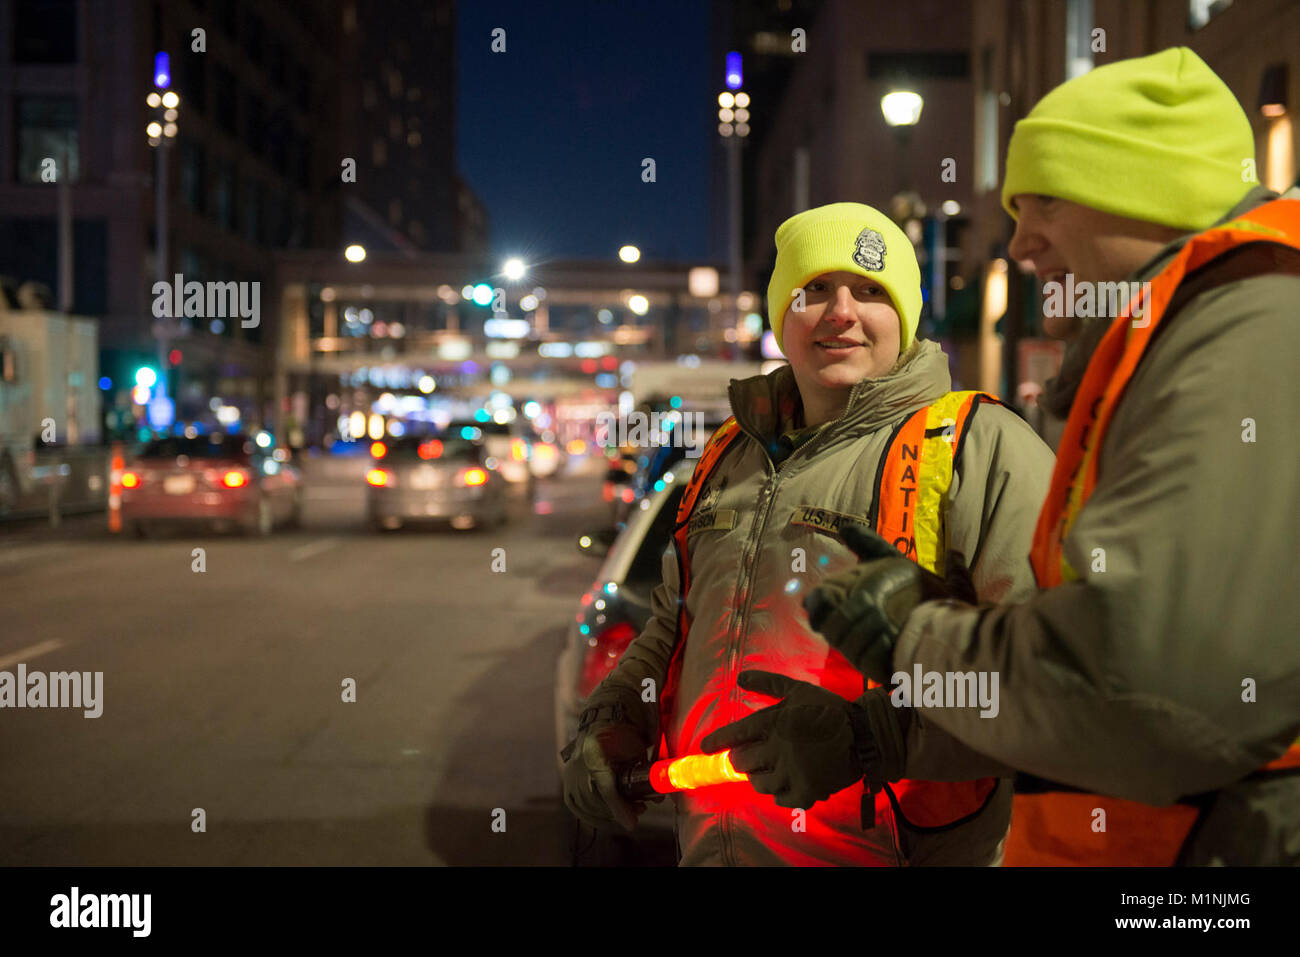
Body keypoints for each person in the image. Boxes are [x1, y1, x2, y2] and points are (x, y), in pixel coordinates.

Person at [790, 47, 1300, 865]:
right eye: (810, 290)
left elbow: (1147, 691)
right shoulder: (1201, 335)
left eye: (1045, 202)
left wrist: (915, 639)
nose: (1021, 243)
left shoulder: (1244, 336)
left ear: (1150, 194)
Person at [561, 202, 1056, 865]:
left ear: (905, 316)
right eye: (813, 289)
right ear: (782, 318)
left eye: (871, 290)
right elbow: (672, 627)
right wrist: (619, 712)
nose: (841, 311)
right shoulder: (726, 455)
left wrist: (869, 739)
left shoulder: (980, 448)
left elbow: (1044, 680)